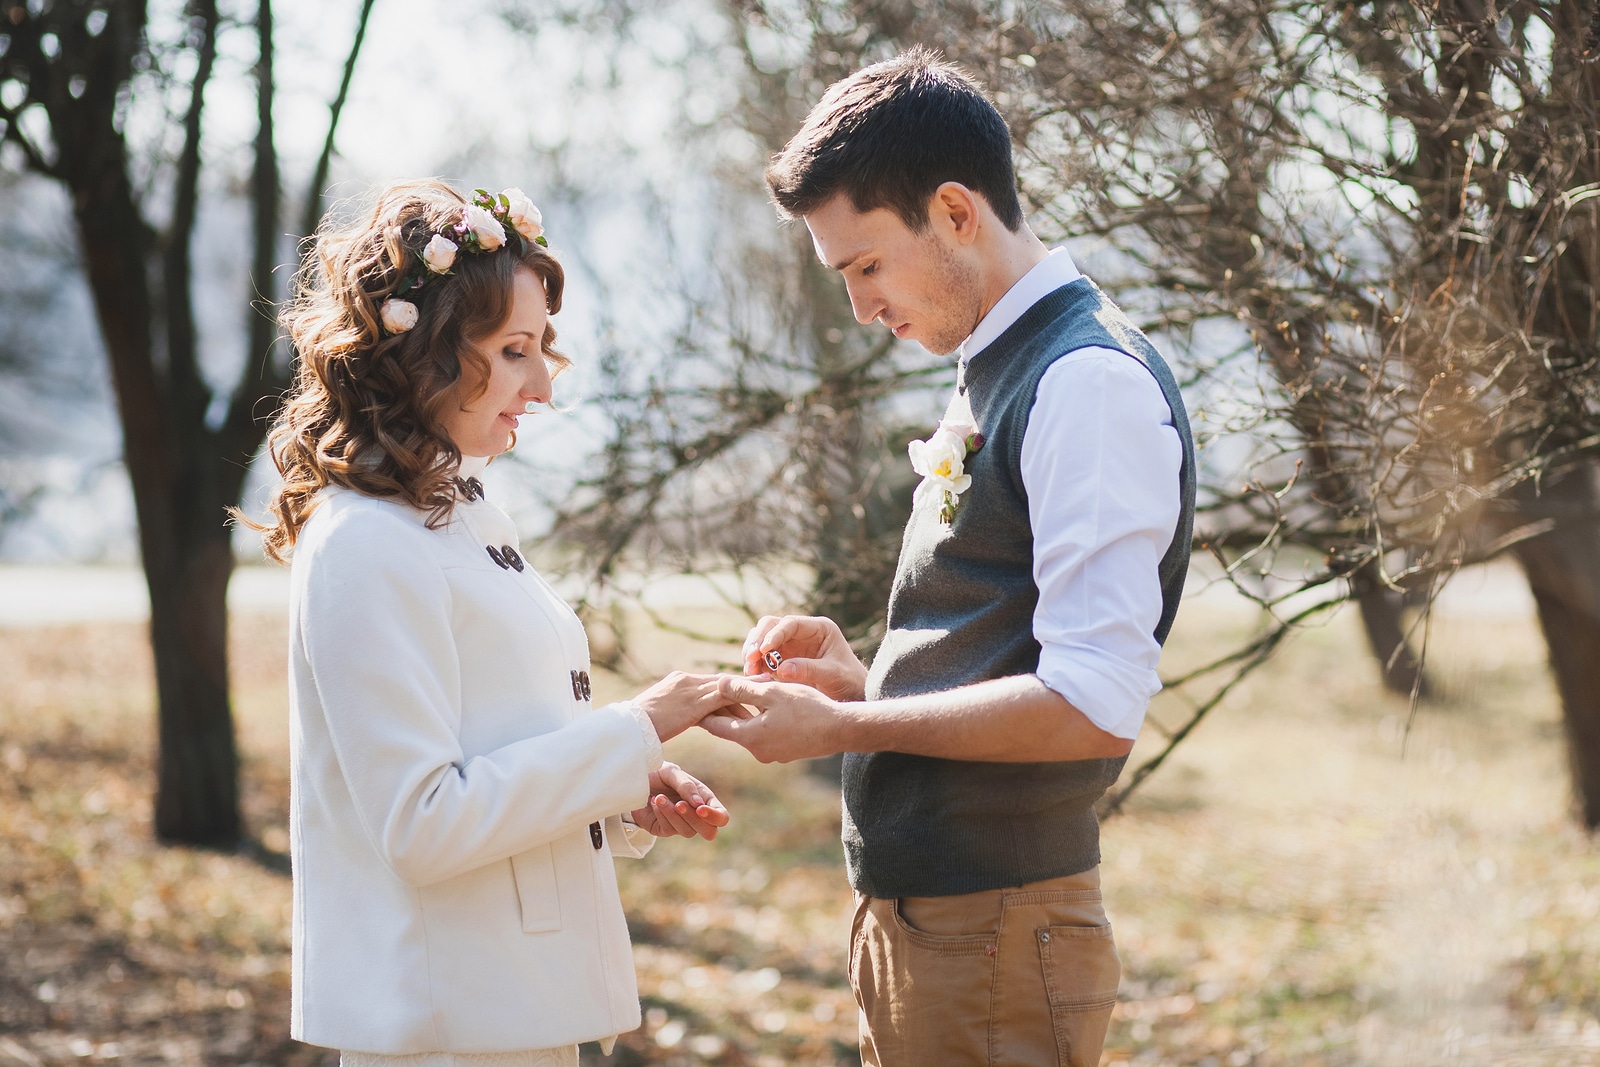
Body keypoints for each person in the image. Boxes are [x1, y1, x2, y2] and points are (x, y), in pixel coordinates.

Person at [700, 50, 1197, 1067]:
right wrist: (868, 677)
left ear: (956, 213)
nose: (859, 309)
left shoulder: (1084, 383)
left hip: (997, 931)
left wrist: (847, 722)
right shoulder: (999, 364)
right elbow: (1005, 647)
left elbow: (1092, 699)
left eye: (866, 266)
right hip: (948, 929)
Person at [248, 180, 731, 1066]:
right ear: (426, 355)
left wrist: (627, 782)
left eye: (542, 346)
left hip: (510, 1006)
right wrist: (638, 724)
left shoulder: (455, 511)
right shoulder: (367, 542)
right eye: (515, 350)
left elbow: (501, 743)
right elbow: (423, 823)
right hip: (446, 1027)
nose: (544, 383)